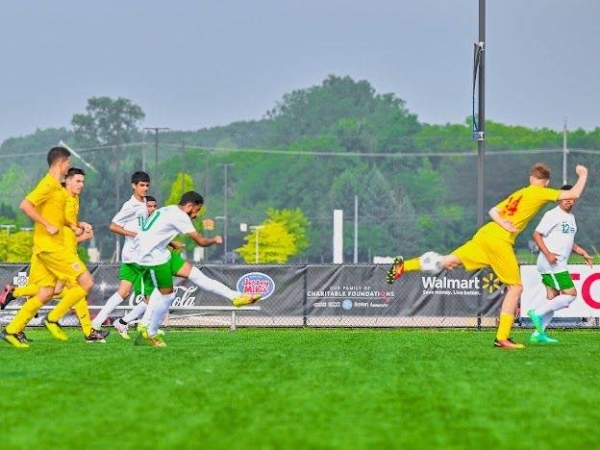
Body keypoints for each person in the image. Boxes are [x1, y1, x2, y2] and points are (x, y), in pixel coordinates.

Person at [386, 163, 589, 349]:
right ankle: (502, 337)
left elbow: (493, 210)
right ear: (546, 182)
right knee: (516, 287)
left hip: (485, 234)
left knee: (447, 261)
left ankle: (404, 266)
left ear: (530, 178)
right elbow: (574, 193)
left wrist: (502, 223)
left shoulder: (518, 194)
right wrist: (583, 174)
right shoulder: (539, 193)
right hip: (499, 241)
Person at [132, 191, 261, 347]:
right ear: (189, 206)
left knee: (197, 276)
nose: (196, 215)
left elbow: (154, 232)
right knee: (166, 295)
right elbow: (201, 241)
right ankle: (149, 331)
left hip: (160, 253)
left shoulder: (170, 209)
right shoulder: (180, 216)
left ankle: (236, 297)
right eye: (197, 210)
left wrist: (171, 244)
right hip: (150, 257)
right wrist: (215, 239)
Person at [0, 146, 95, 348]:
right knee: (85, 283)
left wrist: (74, 226)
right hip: (52, 249)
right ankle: (53, 320)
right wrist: (47, 224)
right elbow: (25, 205)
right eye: (68, 163)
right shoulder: (48, 184)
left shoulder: (58, 189)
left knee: (46, 292)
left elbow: (61, 218)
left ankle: (11, 329)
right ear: (60, 163)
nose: (69, 167)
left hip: (50, 248)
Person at [527, 184, 593, 343]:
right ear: (559, 198)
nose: (568, 201)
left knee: (553, 298)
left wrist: (582, 252)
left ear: (575, 200)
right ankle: (536, 312)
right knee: (570, 295)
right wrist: (548, 254)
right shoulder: (552, 214)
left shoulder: (571, 218)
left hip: (555, 263)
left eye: (571, 198)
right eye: (565, 197)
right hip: (552, 262)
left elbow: (568, 241)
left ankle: (538, 335)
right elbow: (536, 234)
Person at [91, 172, 151, 333]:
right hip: (137, 257)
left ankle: (96, 322)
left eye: (147, 185)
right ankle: (129, 323)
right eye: (141, 185)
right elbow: (113, 226)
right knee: (155, 295)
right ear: (134, 186)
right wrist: (134, 234)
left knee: (123, 292)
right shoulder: (130, 205)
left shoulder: (144, 203)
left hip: (132, 256)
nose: (145, 188)